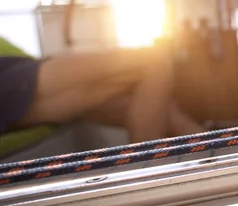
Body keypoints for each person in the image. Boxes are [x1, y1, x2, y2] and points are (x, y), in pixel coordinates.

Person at [0, 45, 206, 143]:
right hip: (14, 81)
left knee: (156, 100)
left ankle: (220, 152)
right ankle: (145, 171)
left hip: (19, 85)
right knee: (154, 59)